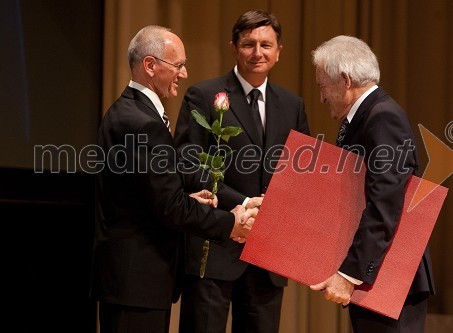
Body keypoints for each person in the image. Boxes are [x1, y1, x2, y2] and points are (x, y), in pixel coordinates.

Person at [90, 25, 257, 333]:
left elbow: (147, 196)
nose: (184, 73)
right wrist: (228, 223)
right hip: (137, 283)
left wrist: (188, 200)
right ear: (150, 65)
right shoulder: (140, 123)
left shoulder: (128, 112)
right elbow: (169, 207)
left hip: (131, 281)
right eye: (178, 65)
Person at [174, 10, 310, 333]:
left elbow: (300, 176)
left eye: (266, 44)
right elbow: (187, 165)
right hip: (215, 247)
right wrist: (248, 202)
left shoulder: (293, 106)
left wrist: (272, 210)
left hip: (267, 257)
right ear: (234, 48)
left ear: (279, 52)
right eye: (248, 44)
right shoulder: (204, 95)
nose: (257, 52)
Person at [309, 35, 435, 333]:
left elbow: (384, 203)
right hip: (378, 276)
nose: (321, 97)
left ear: (345, 79)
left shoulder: (382, 118)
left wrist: (350, 274)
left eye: (322, 86)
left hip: (390, 277)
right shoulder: (366, 116)